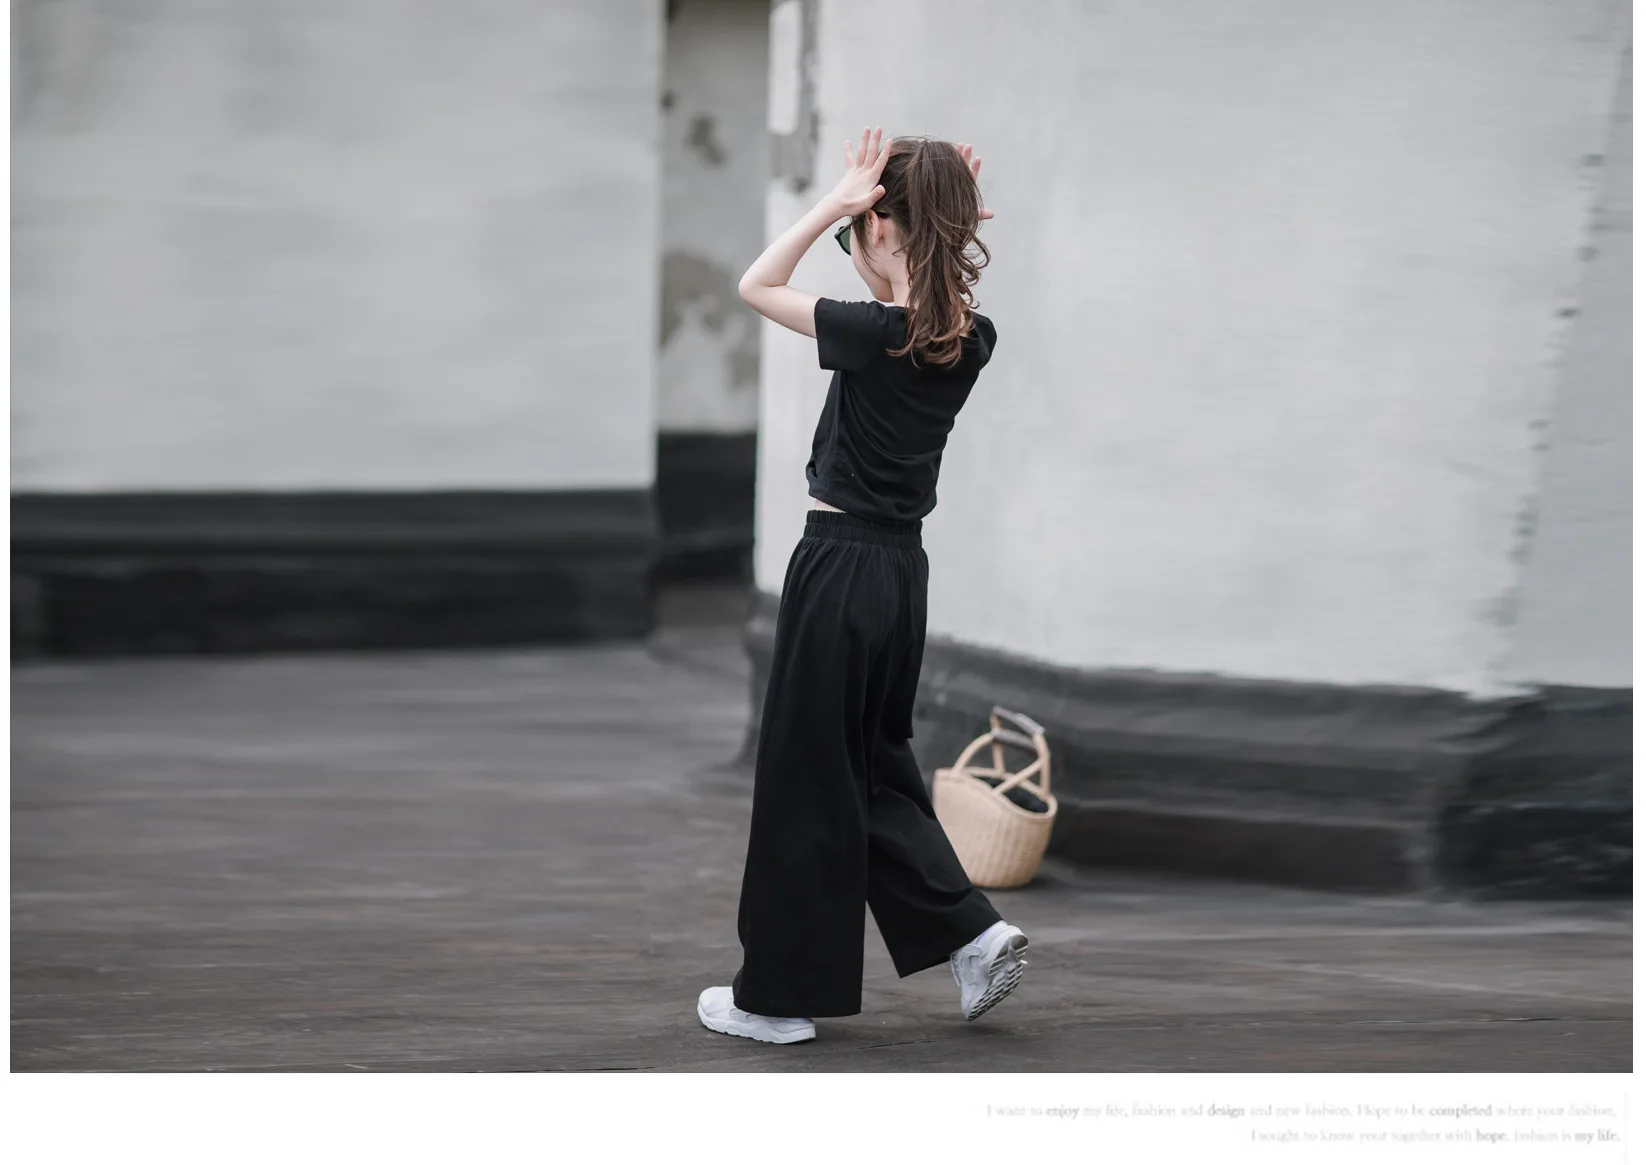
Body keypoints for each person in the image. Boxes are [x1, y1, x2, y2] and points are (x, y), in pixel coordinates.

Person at [697, 128, 1027, 1046]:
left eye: (859, 231)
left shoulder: (875, 333)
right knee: (872, 766)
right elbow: (926, 295)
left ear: (881, 228)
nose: (852, 243)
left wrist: (830, 207)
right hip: (899, 577)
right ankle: (972, 934)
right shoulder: (969, 338)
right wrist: (935, 223)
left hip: (838, 565)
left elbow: (756, 284)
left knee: (804, 779)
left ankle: (773, 998)